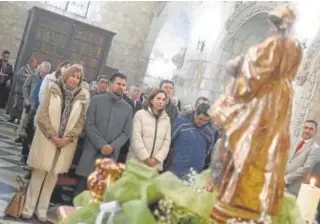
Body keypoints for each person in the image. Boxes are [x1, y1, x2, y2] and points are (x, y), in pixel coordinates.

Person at [209, 5, 303, 222]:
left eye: (273, 22)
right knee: (270, 149)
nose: (270, 26)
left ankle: (240, 199)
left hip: (265, 102)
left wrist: (237, 64)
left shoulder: (275, 43)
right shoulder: (296, 45)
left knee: (249, 145)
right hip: (280, 103)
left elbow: (254, 73)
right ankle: (258, 202)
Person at [22, 65, 86, 222]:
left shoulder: (81, 97)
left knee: (52, 177)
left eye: (78, 77)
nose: (74, 79)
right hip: (47, 139)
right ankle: (28, 208)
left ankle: (42, 210)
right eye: (72, 76)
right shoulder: (54, 89)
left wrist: (67, 138)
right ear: (66, 76)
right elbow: (42, 116)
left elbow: (80, 122)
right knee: (39, 175)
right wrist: (53, 136)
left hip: (65, 144)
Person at [75, 72, 132, 195]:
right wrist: (101, 145)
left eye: (123, 85)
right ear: (110, 84)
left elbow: (126, 132)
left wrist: (112, 146)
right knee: (83, 187)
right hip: (92, 150)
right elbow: (89, 124)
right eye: (118, 84)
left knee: (99, 191)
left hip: (111, 154)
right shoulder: (97, 100)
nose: (121, 87)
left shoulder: (127, 108)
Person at [127, 89, 171, 171]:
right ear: (151, 100)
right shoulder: (140, 115)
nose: (161, 101)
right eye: (158, 98)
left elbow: (167, 141)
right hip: (137, 163)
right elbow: (135, 138)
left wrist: (157, 159)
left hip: (155, 166)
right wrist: (145, 158)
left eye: (163, 99)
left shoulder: (166, 119)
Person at [168, 103, 217, 178]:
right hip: (176, 168)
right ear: (195, 113)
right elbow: (169, 142)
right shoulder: (181, 123)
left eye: (205, 120)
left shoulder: (210, 130)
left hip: (195, 171)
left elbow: (207, 151)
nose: (202, 122)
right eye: (200, 119)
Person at [19, 61, 51, 165]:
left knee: (33, 135)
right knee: (27, 130)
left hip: (41, 110)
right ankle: (23, 156)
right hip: (31, 107)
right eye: (44, 70)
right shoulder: (34, 77)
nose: (45, 73)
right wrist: (27, 99)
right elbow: (26, 88)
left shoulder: (50, 81)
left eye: (47, 71)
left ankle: (30, 157)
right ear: (40, 69)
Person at [285, 120, 320, 196]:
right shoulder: (293, 140)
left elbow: (306, 168)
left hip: (294, 187)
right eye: (306, 128)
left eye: (311, 129)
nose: (307, 130)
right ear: (302, 128)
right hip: (279, 182)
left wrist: (286, 178)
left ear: (315, 132)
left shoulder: (315, 148)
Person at [7, 57, 37, 124]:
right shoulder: (23, 69)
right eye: (35, 63)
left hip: (27, 92)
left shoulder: (34, 72)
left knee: (22, 106)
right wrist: (27, 81)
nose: (36, 65)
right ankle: (12, 117)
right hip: (19, 90)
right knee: (17, 104)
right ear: (30, 63)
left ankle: (18, 119)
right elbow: (18, 77)